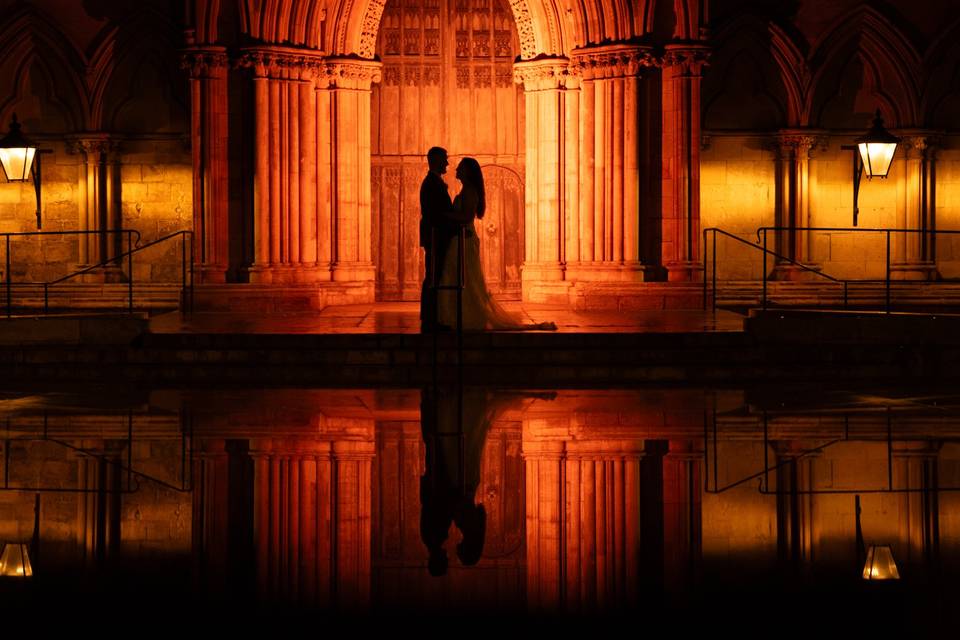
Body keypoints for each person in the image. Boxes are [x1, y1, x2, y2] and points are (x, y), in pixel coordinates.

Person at [437, 157, 557, 331]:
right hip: (460, 239)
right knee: (461, 279)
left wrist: (445, 215)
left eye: (460, 168)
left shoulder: (470, 191)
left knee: (467, 281)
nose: (456, 170)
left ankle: (469, 318)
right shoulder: (466, 190)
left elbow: (466, 217)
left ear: (468, 172)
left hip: (465, 241)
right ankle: (461, 317)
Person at [419, 147, 469, 333]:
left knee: (435, 275)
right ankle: (431, 319)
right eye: (444, 160)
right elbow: (435, 214)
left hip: (437, 235)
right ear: (435, 161)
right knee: (434, 276)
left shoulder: (434, 182)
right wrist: (455, 222)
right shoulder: (431, 183)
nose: (447, 164)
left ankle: (432, 317)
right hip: (436, 236)